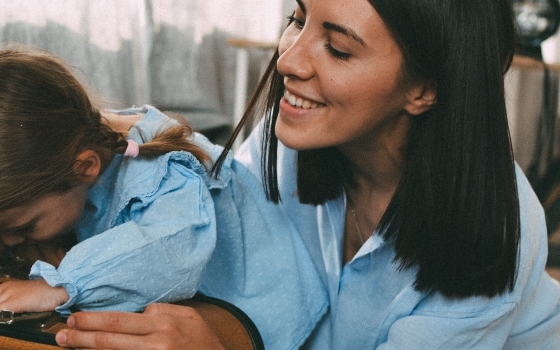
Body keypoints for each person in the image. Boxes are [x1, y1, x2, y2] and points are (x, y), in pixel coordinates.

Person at [54, 0, 560, 349]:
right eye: (298, 19)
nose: (289, 59)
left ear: (424, 89)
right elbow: (229, 254)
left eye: (338, 49)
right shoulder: (292, 141)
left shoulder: (492, 230)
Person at [0, 47, 328, 349]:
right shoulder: (72, 143)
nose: (13, 239)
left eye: (23, 227)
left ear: (85, 168)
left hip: (266, 314)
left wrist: (61, 286)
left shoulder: (164, 171)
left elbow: (172, 252)